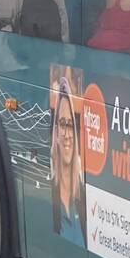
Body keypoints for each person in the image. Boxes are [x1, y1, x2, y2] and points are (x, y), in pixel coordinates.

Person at [49, 70, 85, 246]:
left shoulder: (82, 194)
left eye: (70, 125)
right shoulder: (51, 187)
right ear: (56, 131)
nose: (67, 135)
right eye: (62, 124)